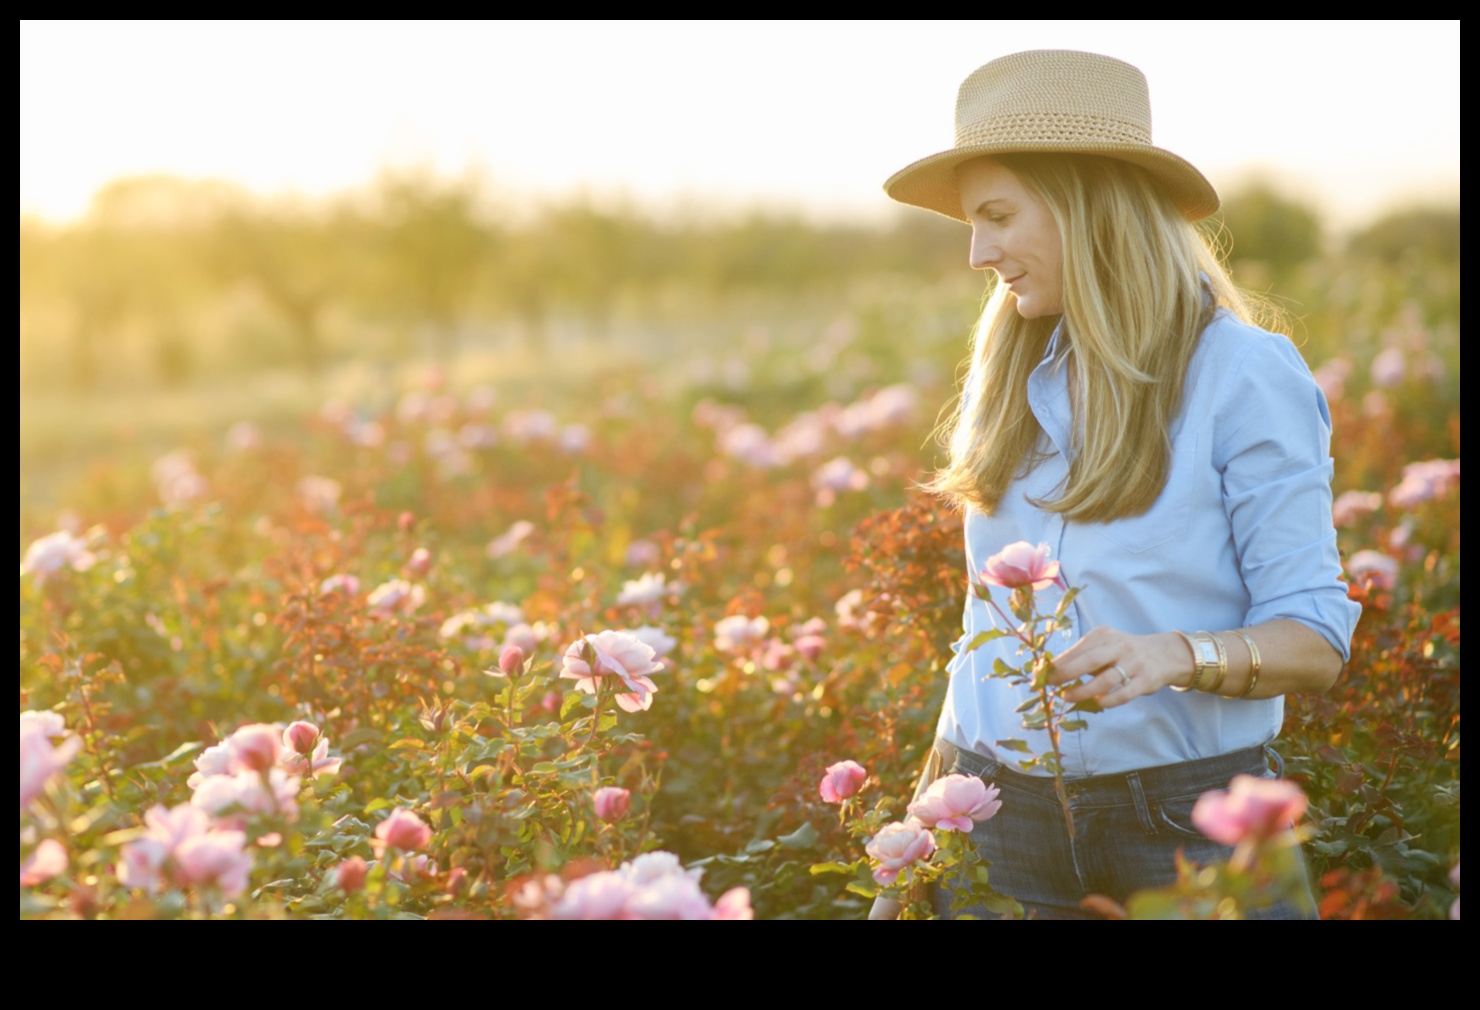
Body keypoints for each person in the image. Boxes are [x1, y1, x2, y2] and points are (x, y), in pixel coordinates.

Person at [872, 50, 1361, 919]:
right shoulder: (1005, 371)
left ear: (1088, 204)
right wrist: (921, 835)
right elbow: (982, 633)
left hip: (1185, 825)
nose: (979, 253)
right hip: (995, 822)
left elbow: (1315, 640)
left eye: (997, 216)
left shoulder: (1241, 373)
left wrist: (1175, 654)